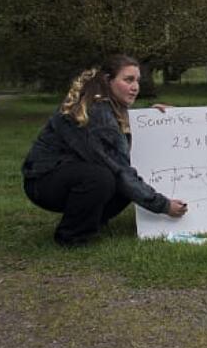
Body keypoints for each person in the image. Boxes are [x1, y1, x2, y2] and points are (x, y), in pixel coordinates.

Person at [23, 54, 187, 246]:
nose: (135, 87)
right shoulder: (97, 112)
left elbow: (119, 125)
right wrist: (163, 206)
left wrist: (153, 117)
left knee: (114, 178)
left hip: (67, 174)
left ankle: (92, 220)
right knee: (104, 178)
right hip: (43, 182)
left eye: (137, 81)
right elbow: (120, 170)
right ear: (108, 81)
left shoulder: (107, 105)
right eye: (128, 80)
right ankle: (71, 236)